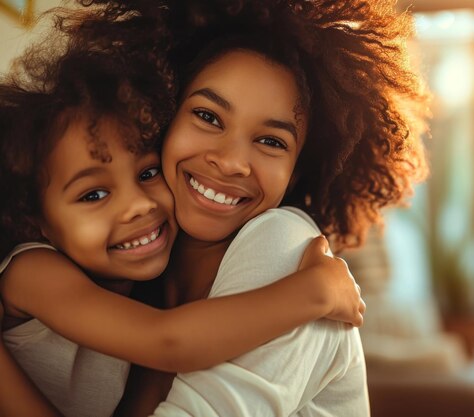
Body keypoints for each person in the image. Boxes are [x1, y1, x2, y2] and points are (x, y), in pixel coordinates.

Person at [3, 0, 430, 415]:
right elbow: (167, 342)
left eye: (271, 141)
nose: (230, 161)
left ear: (296, 173)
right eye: (208, 116)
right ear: (165, 123)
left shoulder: (285, 248)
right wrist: (312, 294)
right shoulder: (128, 279)